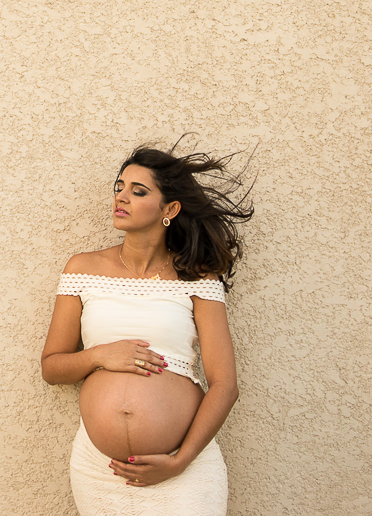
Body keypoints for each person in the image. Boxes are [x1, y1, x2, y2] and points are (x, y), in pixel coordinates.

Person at [40, 140, 253, 516]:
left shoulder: (198, 277)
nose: (121, 198)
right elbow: (52, 367)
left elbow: (225, 385)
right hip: (102, 471)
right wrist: (99, 356)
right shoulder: (82, 268)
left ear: (169, 208)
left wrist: (181, 460)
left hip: (182, 469)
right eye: (119, 188)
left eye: (138, 191)